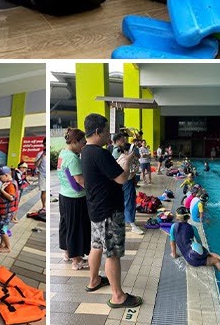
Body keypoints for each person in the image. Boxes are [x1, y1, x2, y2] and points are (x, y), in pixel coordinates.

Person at [81, 114, 142, 309]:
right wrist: (127, 160)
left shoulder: (85, 151)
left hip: (96, 209)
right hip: (108, 211)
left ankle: (93, 281)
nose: (110, 135)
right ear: (98, 132)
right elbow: (122, 178)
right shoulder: (100, 153)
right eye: (107, 131)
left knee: (96, 246)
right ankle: (118, 296)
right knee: (112, 253)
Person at [169, 213, 220, 283]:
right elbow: (199, 242)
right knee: (215, 260)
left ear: (177, 217)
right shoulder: (192, 227)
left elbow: (172, 243)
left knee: (208, 254)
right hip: (193, 259)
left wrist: (174, 255)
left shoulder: (173, 227)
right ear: (188, 218)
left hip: (188, 256)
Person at [58, 128, 90, 270]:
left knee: (66, 225)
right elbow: (79, 180)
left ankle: (67, 253)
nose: (84, 145)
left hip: (64, 195)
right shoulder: (72, 158)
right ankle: (76, 261)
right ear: (75, 142)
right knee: (76, 228)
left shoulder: (63, 153)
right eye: (83, 142)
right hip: (75, 198)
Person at [114, 135, 143, 235]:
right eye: (134, 151)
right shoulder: (125, 159)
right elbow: (128, 171)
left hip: (126, 181)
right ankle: (131, 224)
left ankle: (125, 220)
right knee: (129, 202)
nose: (136, 153)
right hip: (125, 182)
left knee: (125, 201)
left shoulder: (125, 157)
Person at [0, 166, 17, 253]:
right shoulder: (8, 183)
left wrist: (2, 190)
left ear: (6, 175)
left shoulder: (10, 185)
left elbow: (11, 198)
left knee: (2, 229)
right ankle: (2, 243)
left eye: (1, 178)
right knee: (2, 227)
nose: (0, 180)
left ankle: (8, 247)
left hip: (6, 212)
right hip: (5, 211)